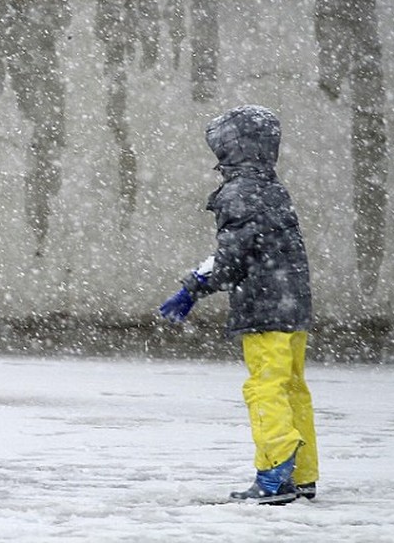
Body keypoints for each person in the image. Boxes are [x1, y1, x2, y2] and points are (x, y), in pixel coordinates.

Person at [159, 105, 318, 505]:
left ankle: (274, 474)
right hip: (293, 305)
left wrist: (195, 285)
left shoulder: (239, 192)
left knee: (265, 388)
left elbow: (232, 260)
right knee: (292, 388)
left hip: (265, 309)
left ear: (232, 147)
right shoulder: (271, 186)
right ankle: (302, 474)